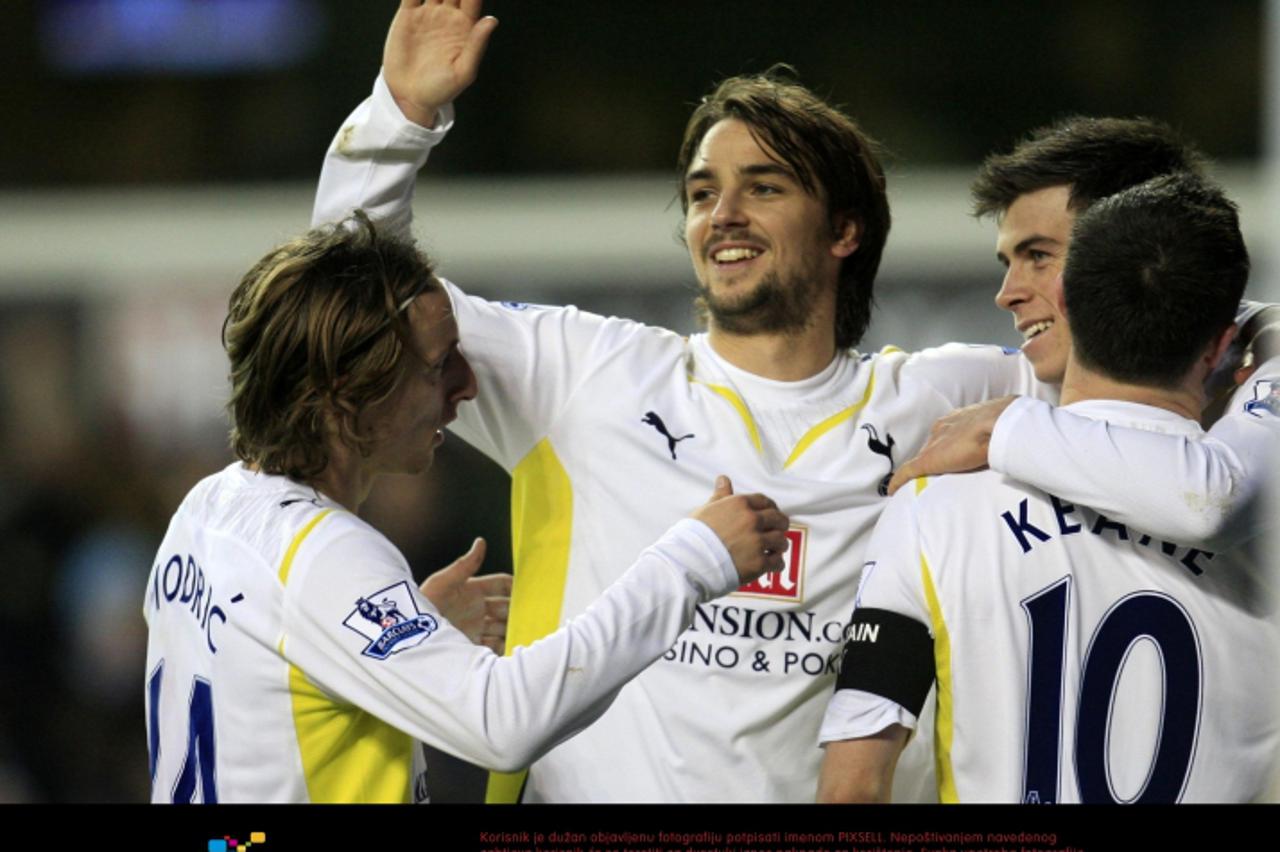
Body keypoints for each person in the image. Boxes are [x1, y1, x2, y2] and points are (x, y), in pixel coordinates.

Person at [311, 1, 1267, 803]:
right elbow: (353, 289)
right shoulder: (583, 374)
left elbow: (1171, 339)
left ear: (845, 227)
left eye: (761, 188)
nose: (720, 215)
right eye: (701, 192)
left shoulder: (949, 394)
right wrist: (399, 117)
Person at [142, 212, 790, 803]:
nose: (466, 385)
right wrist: (690, 561)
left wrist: (402, 627)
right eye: (438, 363)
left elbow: (269, 701)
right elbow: (500, 724)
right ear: (354, 386)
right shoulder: (326, 554)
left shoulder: (206, 511)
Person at [816, 172, 1280, 802]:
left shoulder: (934, 507)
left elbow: (853, 788)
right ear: (1223, 342)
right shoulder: (1268, 521)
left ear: (1066, 302)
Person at [886, 117, 1279, 550]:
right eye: (1007, 263)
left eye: (1038, 255)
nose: (1007, 294)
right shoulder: (984, 383)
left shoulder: (1263, 356)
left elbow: (1210, 504)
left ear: (1132, 242)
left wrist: (1003, 426)